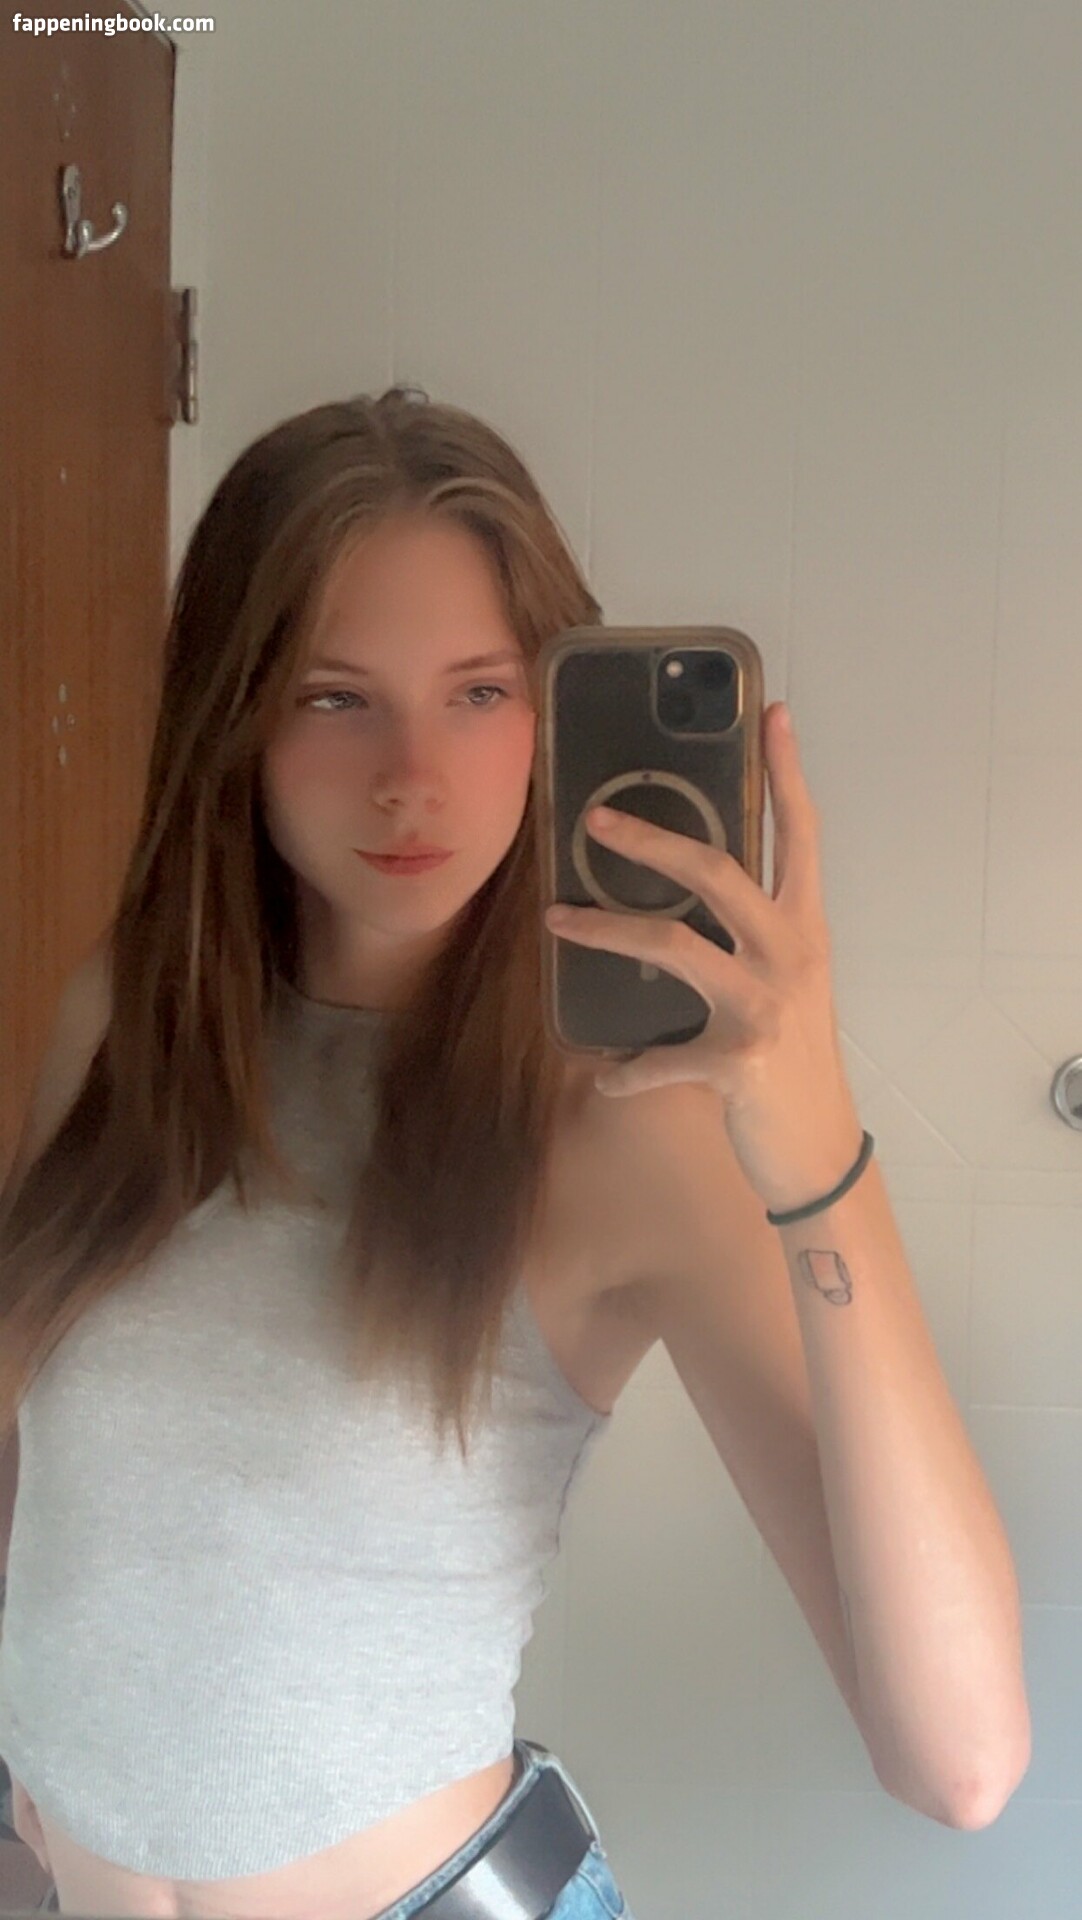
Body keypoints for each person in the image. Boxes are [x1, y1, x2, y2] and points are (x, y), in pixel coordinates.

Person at [0, 388, 643, 1918]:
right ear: (235, 712)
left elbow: (960, 1760)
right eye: (334, 697)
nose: (412, 776)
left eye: (478, 692)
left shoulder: (613, 1109)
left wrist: (809, 1137)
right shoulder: (120, 1018)